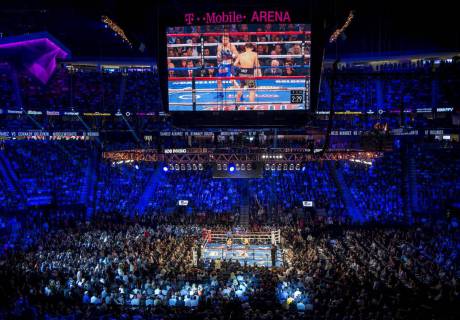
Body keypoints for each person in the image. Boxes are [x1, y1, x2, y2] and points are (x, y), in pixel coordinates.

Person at [233, 42, 261, 108]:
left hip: (242, 73)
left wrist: (241, 66)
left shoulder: (241, 55)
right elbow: (257, 64)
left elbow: (235, 64)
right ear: (252, 48)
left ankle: (237, 104)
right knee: (252, 89)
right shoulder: (254, 54)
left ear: (245, 48)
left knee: (241, 87)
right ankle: (251, 106)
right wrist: (259, 73)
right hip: (249, 73)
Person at [216, 34, 238, 101]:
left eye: (225, 39)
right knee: (219, 80)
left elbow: (237, 54)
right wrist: (219, 57)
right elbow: (218, 56)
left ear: (228, 39)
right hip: (222, 65)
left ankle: (240, 93)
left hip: (229, 65)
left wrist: (230, 56)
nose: (224, 40)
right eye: (222, 39)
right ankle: (220, 95)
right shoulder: (219, 46)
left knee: (232, 80)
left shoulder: (232, 46)